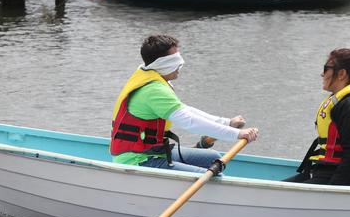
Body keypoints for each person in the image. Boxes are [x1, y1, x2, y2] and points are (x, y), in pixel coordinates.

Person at [110, 34, 259, 173]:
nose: (180, 65)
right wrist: (237, 134)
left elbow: (186, 110)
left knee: (212, 157)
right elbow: (190, 121)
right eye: (175, 61)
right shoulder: (153, 90)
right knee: (211, 178)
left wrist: (227, 123)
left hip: (154, 151)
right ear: (163, 64)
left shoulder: (152, 78)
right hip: (139, 160)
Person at [284, 48, 350, 185]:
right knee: (274, 191)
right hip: (331, 171)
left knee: (273, 196)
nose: (322, 74)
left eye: (326, 68)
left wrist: (333, 190)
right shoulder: (343, 101)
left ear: (342, 74)